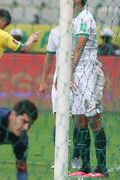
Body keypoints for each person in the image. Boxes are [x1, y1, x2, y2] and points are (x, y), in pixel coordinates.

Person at [69, 0, 108, 178]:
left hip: (88, 71)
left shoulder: (85, 17)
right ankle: (85, 167)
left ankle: (101, 168)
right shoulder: (71, 18)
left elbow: (80, 45)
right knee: (79, 119)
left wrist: (68, 73)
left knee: (93, 118)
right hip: (76, 72)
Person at [38, 26, 80, 170]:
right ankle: (59, 158)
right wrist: (43, 80)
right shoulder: (55, 32)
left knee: (78, 119)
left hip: (79, 77)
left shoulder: (81, 28)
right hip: (59, 79)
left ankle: (76, 156)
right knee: (59, 119)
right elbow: (49, 57)